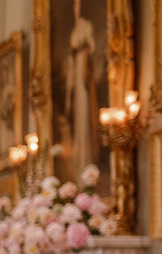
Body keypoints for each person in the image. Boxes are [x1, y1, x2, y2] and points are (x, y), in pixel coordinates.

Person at [67, 0, 98, 180]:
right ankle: (79, 165)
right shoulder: (74, 30)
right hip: (76, 73)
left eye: (79, 4)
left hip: (84, 71)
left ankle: (87, 161)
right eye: (75, 4)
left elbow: (93, 46)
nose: (77, 8)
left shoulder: (87, 25)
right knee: (78, 116)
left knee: (85, 115)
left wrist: (85, 52)